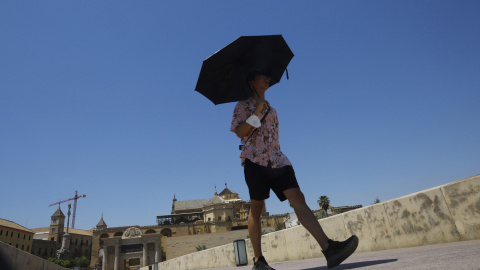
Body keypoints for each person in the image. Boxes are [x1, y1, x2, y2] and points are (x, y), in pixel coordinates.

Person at [230, 71, 359, 270]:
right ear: (251, 82)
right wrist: (256, 111)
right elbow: (240, 132)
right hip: (254, 161)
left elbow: (274, 136)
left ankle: (329, 249)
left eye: (267, 75)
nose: (267, 78)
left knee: (298, 197)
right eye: (262, 76)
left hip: (277, 160)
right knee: (256, 207)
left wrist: (265, 113)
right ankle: (259, 261)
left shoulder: (272, 109)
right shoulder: (242, 106)